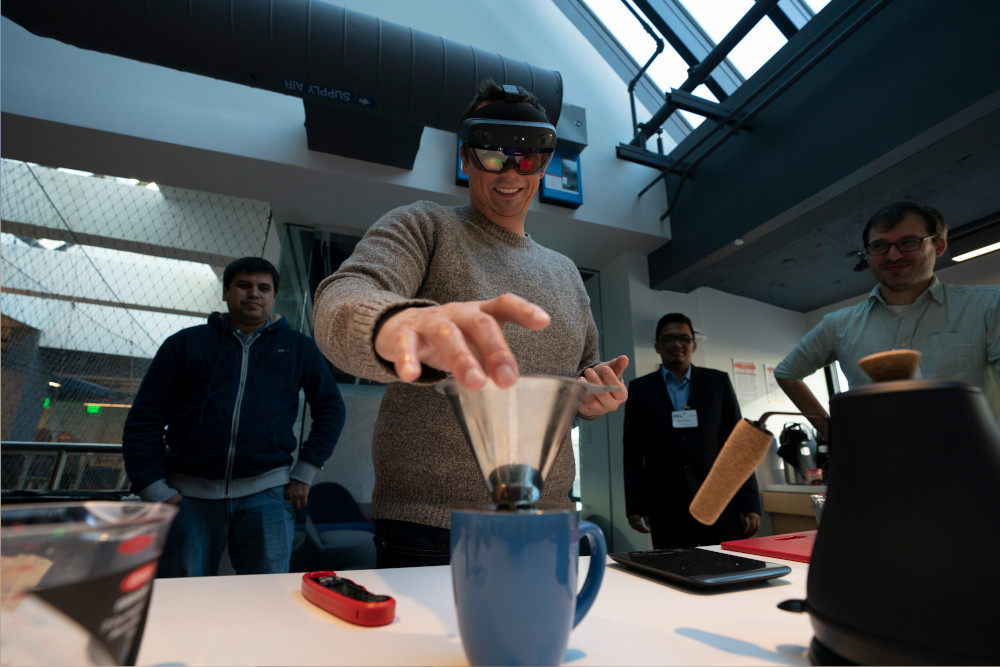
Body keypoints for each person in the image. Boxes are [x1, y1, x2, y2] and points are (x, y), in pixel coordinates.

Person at [312, 80, 629, 568]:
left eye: (526, 158)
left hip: (547, 520)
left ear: (543, 165)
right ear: (465, 158)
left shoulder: (567, 273)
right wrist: (400, 325)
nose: (511, 171)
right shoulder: (425, 226)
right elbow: (343, 295)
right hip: (431, 525)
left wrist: (590, 397)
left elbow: (581, 372)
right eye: (493, 155)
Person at [123, 257, 346, 577]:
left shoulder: (298, 348)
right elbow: (145, 418)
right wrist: (153, 488)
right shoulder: (184, 344)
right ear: (226, 291)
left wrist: (305, 471)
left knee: (265, 598)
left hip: (267, 497)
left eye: (263, 288)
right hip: (187, 499)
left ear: (272, 297)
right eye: (244, 285)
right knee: (182, 598)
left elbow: (331, 408)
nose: (253, 293)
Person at [775, 201, 1000, 436]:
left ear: (939, 245)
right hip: (881, 468)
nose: (893, 255)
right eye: (879, 245)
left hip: (974, 467)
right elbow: (787, 373)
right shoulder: (838, 324)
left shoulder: (989, 305)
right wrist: (834, 437)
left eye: (908, 242)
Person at [623, 313, 761, 548]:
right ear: (657, 346)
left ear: (694, 345)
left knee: (728, 571)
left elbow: (738, 446)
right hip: (666, 506)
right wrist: (636, 505)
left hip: (720, 501)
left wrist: (749, 502)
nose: (677, 344)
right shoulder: (640, 389)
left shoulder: (718, 382)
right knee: (673, 575)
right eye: (668, 339)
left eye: (684, 339)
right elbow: (633, 451)